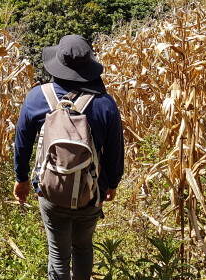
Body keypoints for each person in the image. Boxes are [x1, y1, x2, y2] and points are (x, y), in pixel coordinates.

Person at [13, 34, 124, 280]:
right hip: (91, 192)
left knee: (58, 251)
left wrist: (21, 179)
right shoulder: (105, 104)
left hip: (50, 191)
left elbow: (22, 144)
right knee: (83, 248)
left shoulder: (36, 97)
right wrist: (112, 184)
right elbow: (115, 152)